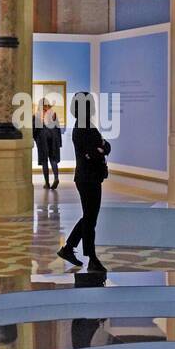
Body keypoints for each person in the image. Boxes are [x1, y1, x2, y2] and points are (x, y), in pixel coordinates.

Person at [58, 91, 111, 272]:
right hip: (87, 178)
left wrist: (102, 148)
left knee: (90, 217)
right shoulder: (82, 128)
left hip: (91, 177)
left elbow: (104, 147)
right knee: (90, 218)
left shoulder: (87, 125)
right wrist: (101, 149)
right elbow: (93, 153)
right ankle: (91, 257)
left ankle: (68, 248)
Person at [33, 98, 62, 189]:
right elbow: (58, 129)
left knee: (44, 160)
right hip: (53, 138)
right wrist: (59, 143)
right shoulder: (53, 115)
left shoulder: (37, 115)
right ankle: (56, 178)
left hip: (42, 139)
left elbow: (34, 130)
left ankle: (47, 183)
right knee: (53, 159)